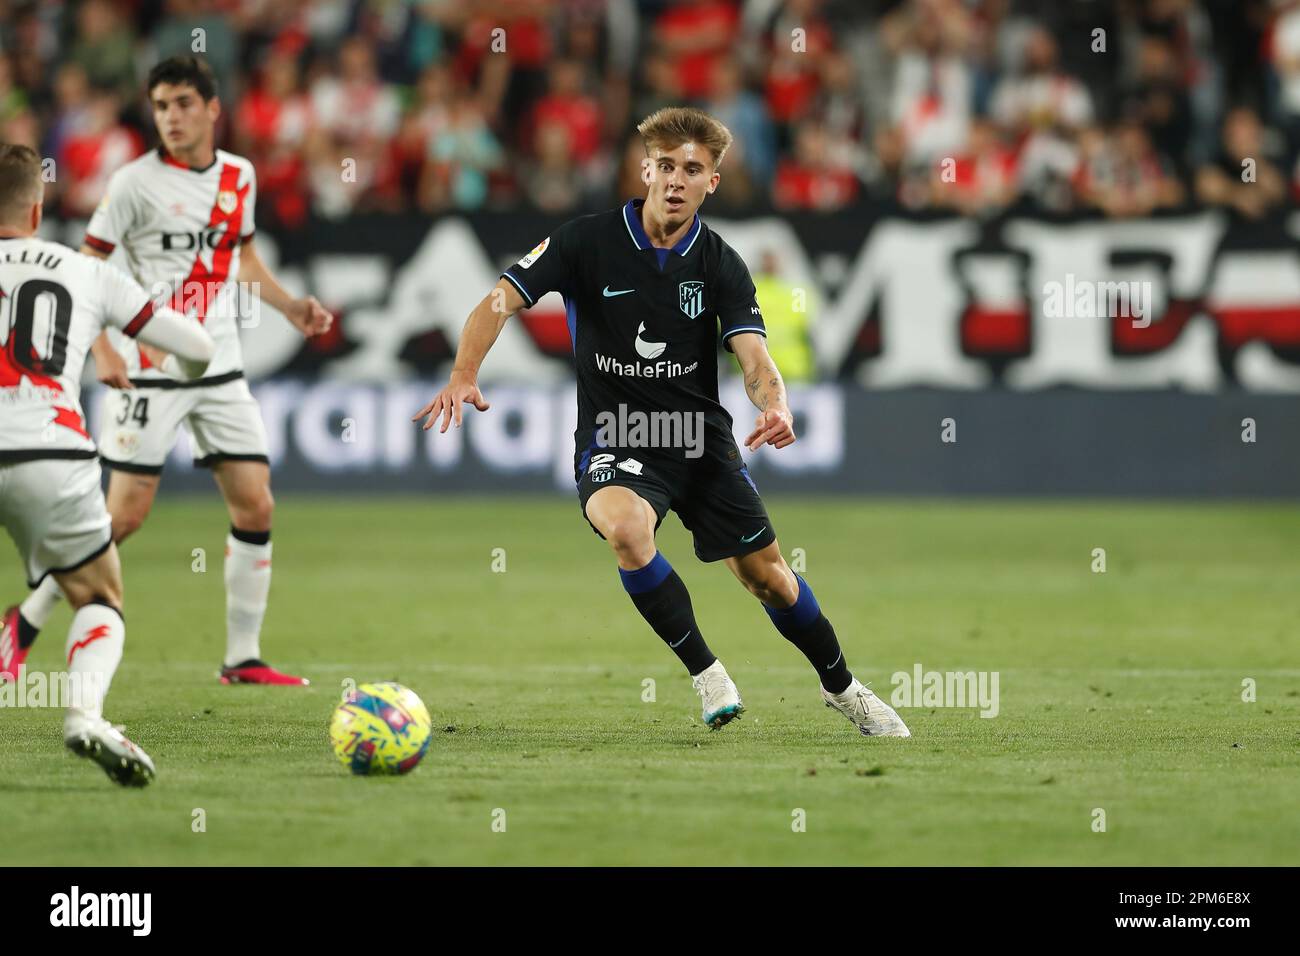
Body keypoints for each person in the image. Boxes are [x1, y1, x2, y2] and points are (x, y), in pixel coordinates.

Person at [414, 107, 910, 738]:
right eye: (666, 166)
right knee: (626, 530)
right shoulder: (585, 242)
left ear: (713, 183)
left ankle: (843, 688)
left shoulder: (721, 263)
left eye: (693, 169)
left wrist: (775, 403)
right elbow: (500, 298)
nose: (677, 179)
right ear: (645, 169)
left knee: (770, 580)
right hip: (616, 434)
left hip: (699, 441)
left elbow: (754, 357)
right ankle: (708, 675)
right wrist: (464, 372)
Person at [2, 56, 333, 687]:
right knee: (122, 518)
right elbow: (85, 267)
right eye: (159, 106)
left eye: (182, 103)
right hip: (147, 369)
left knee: (256, 504)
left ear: (213, 109)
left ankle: (242, 657)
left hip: (220, 367)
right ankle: (21, 625)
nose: (171, 117)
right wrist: (101, 350)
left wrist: (289, 305)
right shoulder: (131, 183)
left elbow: (239, 258)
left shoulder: (240, 175)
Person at [0, 143, 216, 784]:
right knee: (99, 594)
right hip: (51, 453)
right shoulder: (84, 271)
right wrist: (189, 371)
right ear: (37, 209)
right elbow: (196, 345)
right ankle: (84, 716)